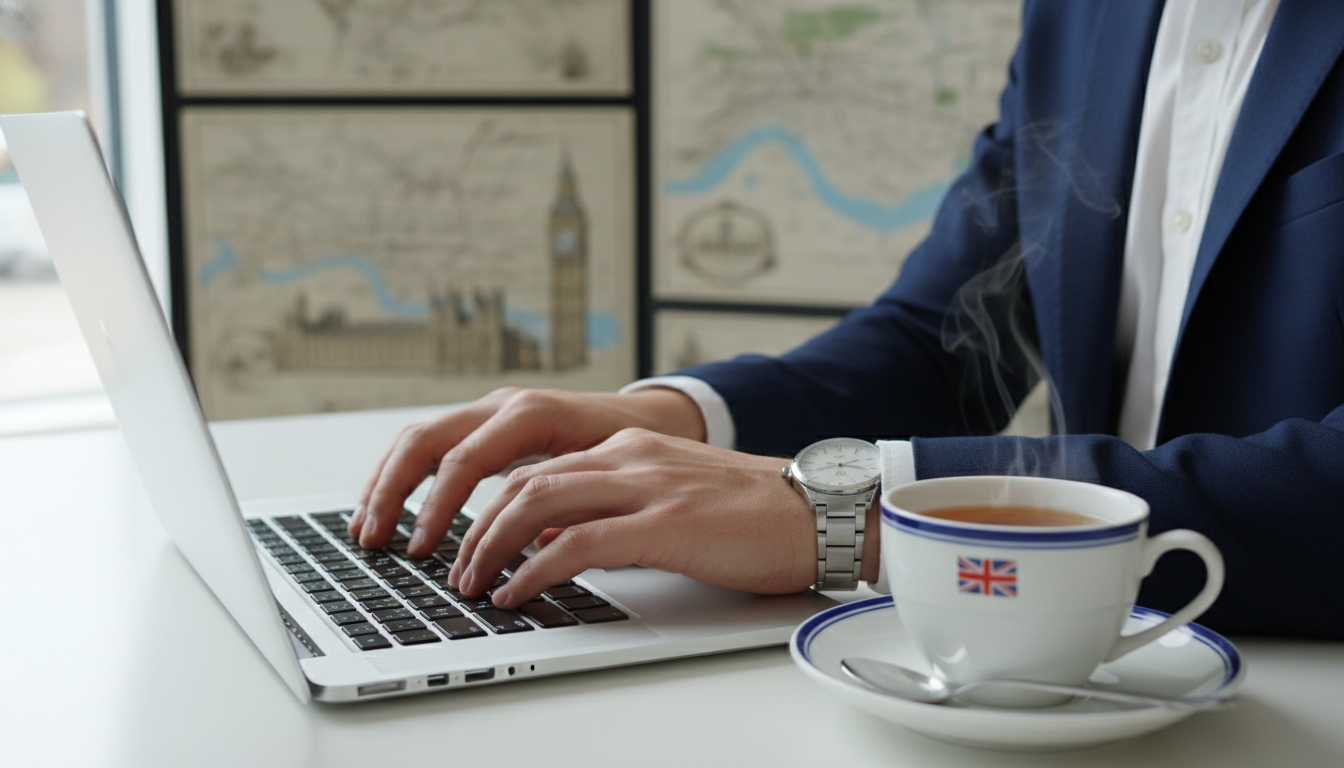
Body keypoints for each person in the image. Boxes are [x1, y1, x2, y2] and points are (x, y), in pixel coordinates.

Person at [350, 0, 1344, 639]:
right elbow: (949, 335)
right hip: (1053, 673)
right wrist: (683, 418)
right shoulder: (1087, 15)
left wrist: (853, 511)